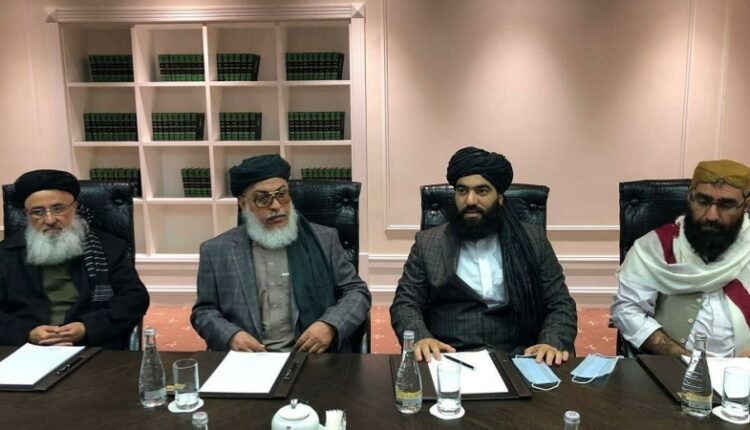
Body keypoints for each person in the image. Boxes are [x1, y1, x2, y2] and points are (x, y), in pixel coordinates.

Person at [390, 147, 577, 365]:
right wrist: (421, 338)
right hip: (449, 357)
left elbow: (560, 303)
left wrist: (551, 342)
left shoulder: (533, 240)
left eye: (482, 191)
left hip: (520, 357)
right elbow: (405, 303)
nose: (470, 200)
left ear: (500, 198)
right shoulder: (429, 243)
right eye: (462, 191)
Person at [191, 154, 371, 352]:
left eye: (282, 194)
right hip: (248, 359)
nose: (276, 206)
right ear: (243, 204)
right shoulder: (216, 251)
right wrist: (231, 336)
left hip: (312, 356)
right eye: (263, 198)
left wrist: (329, 325)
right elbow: (204, 311)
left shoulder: (324, 239)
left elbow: (357, 292)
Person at [612, 159, 750, 357]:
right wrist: (679, 356)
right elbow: (627, 310)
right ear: (689, 197)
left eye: (726, 205)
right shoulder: (655, 247)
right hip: (672, 365)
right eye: (703, 201)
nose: (711, 215)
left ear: (746, 205)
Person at [0, 169, 149, 349]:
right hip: (26, 349)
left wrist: (87, 327)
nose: (50, 220)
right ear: (27, 214)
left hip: (92, 345)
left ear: (74, 207)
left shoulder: (109, 247)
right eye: (38, 212)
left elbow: (134, 299)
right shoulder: (6, 254)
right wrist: (28, 332)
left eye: (58, 209)